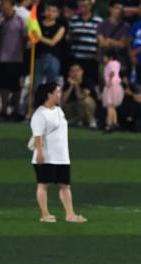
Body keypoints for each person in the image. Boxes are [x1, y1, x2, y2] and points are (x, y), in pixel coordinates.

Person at [31, 82, 86, 223]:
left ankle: (70, 215)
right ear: (49, 94)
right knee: (43, 185)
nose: (60, 95)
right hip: (47, 156)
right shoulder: (40, 114)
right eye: (57, 92)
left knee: (65, 186)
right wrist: (39, 153)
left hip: (62, 156)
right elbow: (37, 135)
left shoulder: (59, 110)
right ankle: (45, 214)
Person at [61, 63, 98, 128]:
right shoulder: (68, 83)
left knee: (86, 101)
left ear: (82, 71)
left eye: (77, 70)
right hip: (75, 106)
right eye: (72, 71)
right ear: (69, 73)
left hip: (89, 106)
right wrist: (71, 86)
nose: (75, 73)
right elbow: (63, 100)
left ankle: (91, 120)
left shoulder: (87, 80)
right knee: (63, 105)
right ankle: (76, 120)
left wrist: (76, 85)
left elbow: (81, 97)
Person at [101, 50, 124, 131]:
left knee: (109, 106)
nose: (103, 59)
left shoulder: (110, 64)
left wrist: (109, 81)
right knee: (112, 106)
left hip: (111, 86)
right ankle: (115, 122)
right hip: (116, 85)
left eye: (104, 57)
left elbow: (112, 72)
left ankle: (109, 124)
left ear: (110, 57)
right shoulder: (117, 64)